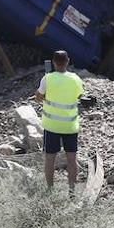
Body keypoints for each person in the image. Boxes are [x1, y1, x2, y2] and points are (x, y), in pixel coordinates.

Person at [32, 49, 86, 193]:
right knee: (72, 159)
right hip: (70, 126)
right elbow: (80, 96)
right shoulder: (75, 78)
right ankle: (72, 191)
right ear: (67, 61)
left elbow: (38, 97)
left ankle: (50, 190)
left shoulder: (47, 78)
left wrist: (44, 96)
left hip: (52, 126)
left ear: (54, 62)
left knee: (50, 160)